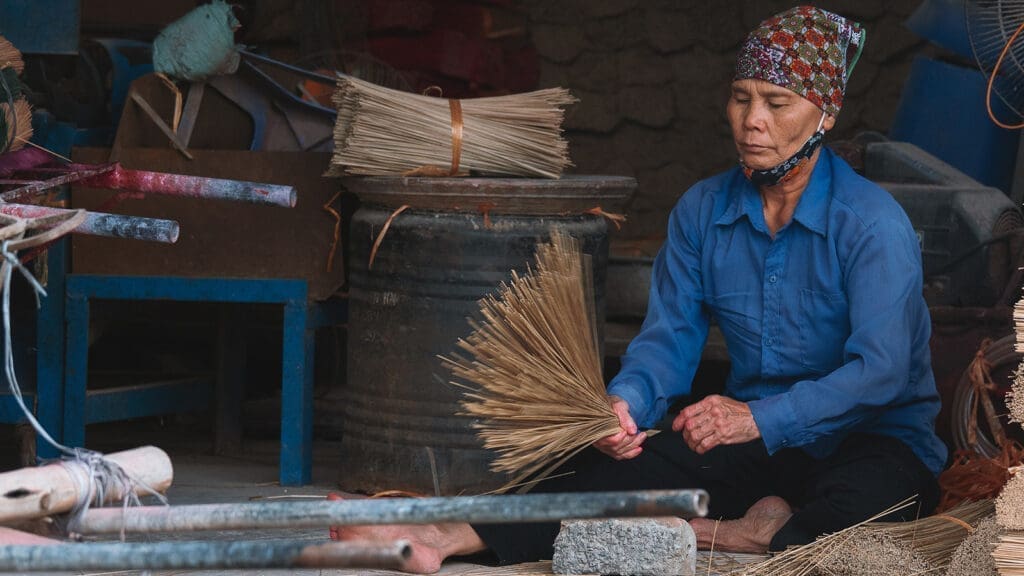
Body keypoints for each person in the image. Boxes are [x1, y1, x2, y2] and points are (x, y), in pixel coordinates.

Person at [331, 6, 948, 573]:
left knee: (872, 507)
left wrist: (758, 417)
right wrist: (625, 403)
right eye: (741, 98)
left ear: (826, 114)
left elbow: (882, 372)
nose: (752, 121)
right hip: (749, 444)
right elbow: (667, 342)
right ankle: (445, 536)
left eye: (777, 103)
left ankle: (738, 534)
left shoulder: (872, 225)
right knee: (590, 467)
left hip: (871, 442)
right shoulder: (702, 212)